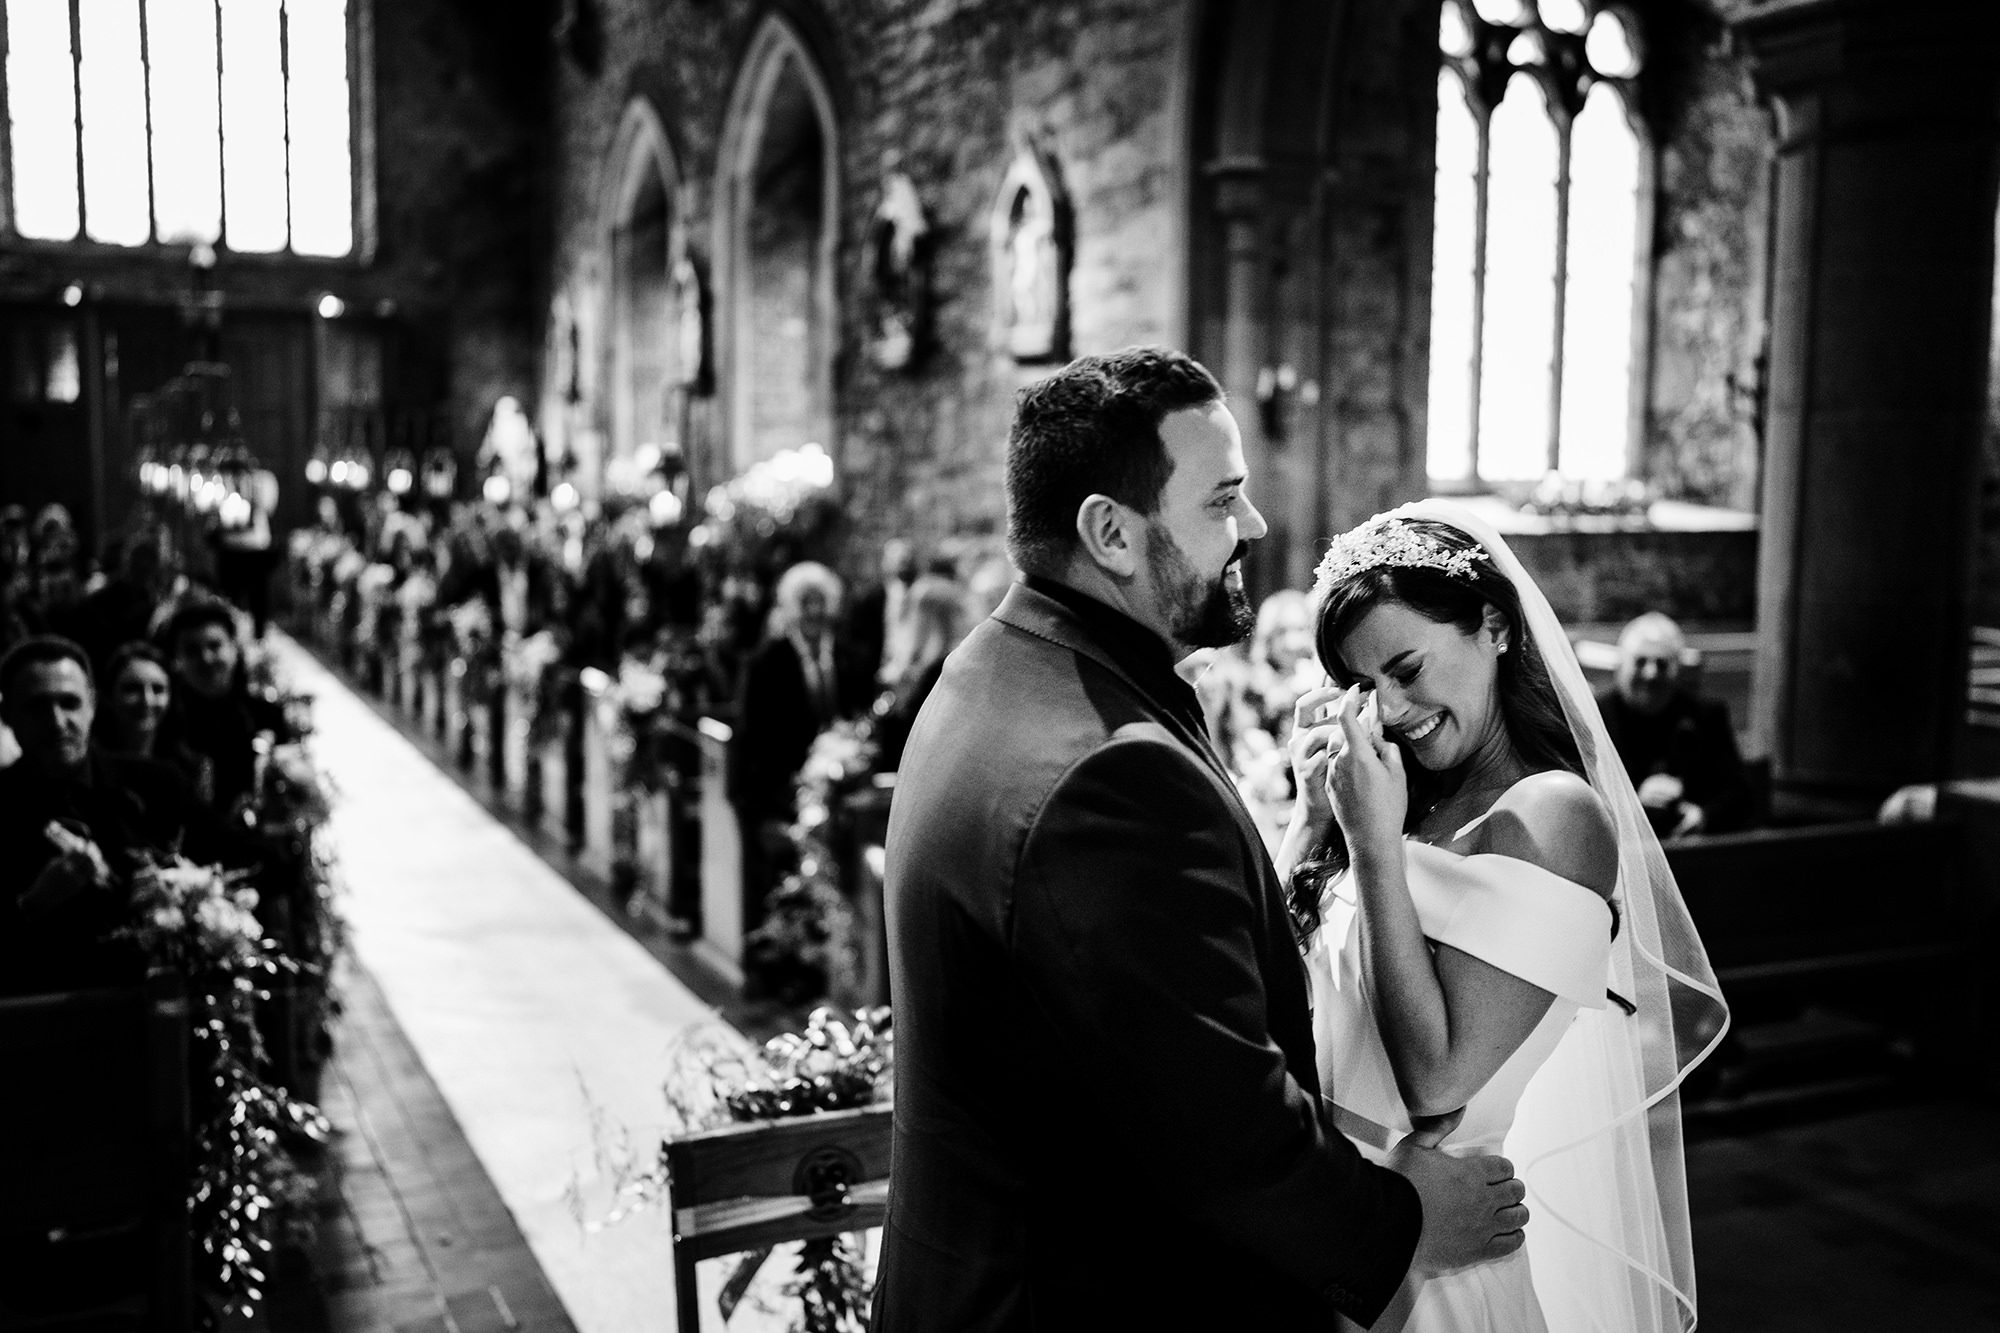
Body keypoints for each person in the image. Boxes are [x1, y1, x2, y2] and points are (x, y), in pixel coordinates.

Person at [873, 349, 1525, 1332]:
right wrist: (1405, 1220)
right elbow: (1220, 1127)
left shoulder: (994, 667)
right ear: (1110, 533)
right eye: (1221, 500)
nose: (1252, 526)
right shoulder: (1111, 775)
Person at [1278, 503, 1729, 1332]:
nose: (1391, 709)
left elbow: (1437, 1079)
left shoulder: (1552, 815)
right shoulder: (1402, 795)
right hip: (1326, 1223)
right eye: (1363, 686)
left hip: (1433, 1257)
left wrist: (1372, 844)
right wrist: (1311, 822)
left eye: (1407, 668)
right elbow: (1272, 982)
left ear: (1494, 627)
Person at [0, 637, 199, 996]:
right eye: (37, 707)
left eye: (70, 703)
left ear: (92, 704)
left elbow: (246, 859)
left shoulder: (156, 785)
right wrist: (33, 904)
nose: (57, 722)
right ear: (8, 715)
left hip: (151, 1006)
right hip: (34, 1013)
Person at [730, 561, 857, 933]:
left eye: (820, 601)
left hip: (838, 798)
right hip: (781, 796)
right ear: (791, 608)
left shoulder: (848, 657)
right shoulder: (765, 663)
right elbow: (753, 741)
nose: (814, 611)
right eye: (805, 602)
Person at [1596, 611, 1755, 838]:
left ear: (1677, 668)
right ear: (1620, 666)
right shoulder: (1596, 716)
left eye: (1662, 664)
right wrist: (1634, 804)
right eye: (1640, 662)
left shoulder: (1707, 715)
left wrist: (1702, 815)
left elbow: (1739, 792)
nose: (1651, 674)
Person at [155, 599, 291, 817]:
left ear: (234, 648)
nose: (206, 659)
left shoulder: (267, 716)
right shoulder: (164, 722)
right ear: (176, 660)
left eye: (214, 646)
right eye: (192, 651)